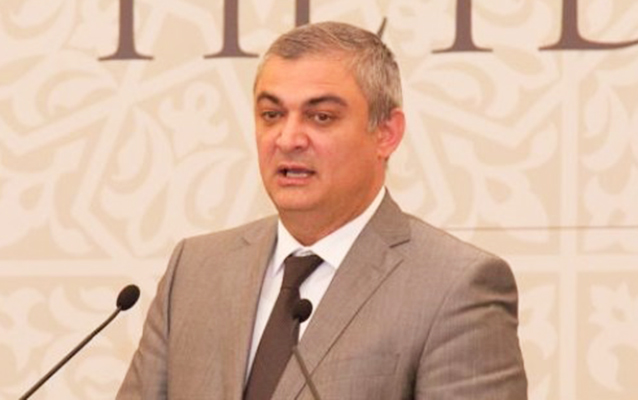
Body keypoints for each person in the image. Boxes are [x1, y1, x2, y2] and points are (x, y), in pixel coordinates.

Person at [116, 21, 527, 399]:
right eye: (272, 115)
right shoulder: (195, 270)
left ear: (386, 133)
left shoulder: (454, 286)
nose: (288, 138)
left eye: (321, 117)